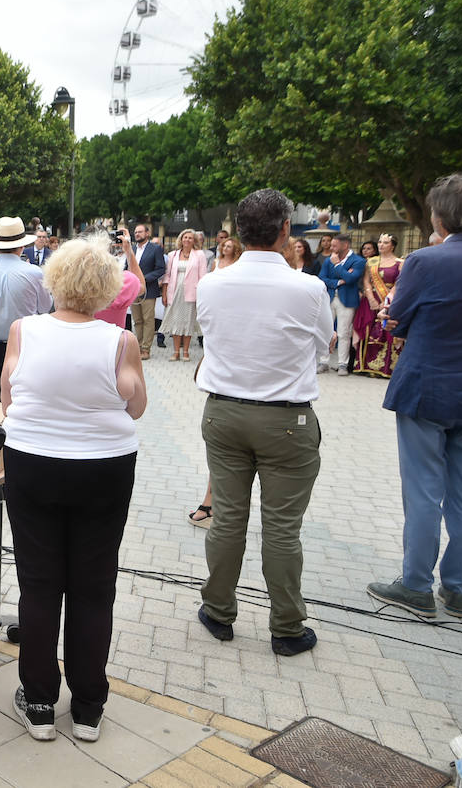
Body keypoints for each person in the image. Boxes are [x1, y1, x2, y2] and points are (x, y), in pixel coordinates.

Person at [0, 236, 147, 744]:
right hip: (103, 469)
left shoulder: (24, 331)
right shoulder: (119, 341)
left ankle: (39, 700)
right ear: (107, 288)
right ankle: (87, 706)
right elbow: (136, 407)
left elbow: (7, 394)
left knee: (39, 584)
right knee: (92, 587)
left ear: (54, 281)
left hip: (33, 464)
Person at [195, 189, 329, 656]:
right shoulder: (309, 288)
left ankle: (218, 610)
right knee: (282, 529)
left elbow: (210, 336)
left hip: (225, 411)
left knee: (228, 519)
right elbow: (324, 349)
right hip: (286, 418)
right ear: (285, 230)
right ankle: (287, 627)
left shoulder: (213, 283)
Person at [368, 173, 462, 621]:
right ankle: (457, 588)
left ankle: (416, 584)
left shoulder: (425, 261)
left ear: (439, 216)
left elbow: (395, 317)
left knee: (423, 490)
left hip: (427, 386)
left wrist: (391, 316)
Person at [0, 217, 51, 403]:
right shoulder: (34, 273)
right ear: (22, 246)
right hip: (23, 346)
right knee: (22, 405)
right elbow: (45, 308)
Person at [352, 234, 403, 378]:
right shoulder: (372, 261)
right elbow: (367, 281)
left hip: (390, 300)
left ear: (392, 245)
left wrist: (388, 299)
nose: (381, 245)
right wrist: (370, 298)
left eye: (385, 242)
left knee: (387, 331)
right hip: (371, 299)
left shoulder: (400, 262)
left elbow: (400, 283)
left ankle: (386, 367)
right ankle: (365, 365)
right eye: (380, 242)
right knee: (368, 329)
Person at [318, 233, 366, 376]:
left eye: (334, 245)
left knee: (344, 332)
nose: (331, 247)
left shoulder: (358, 261)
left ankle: (342, 364)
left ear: (345, 245)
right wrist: (339, 281)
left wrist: (338, 266)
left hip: (347, 300)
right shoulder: (329, 260)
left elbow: (351, 279)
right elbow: (322, 278)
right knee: (326, 330)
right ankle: (323, 361)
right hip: (330, 298)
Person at [159, 229, 207, 361]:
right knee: (175, 322)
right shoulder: (172, 255)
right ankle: (175, 352)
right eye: (185, 237)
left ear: (194, 241)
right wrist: (164, 293)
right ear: (181, 239)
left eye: (190, 238)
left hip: (191, 293)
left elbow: (202, 276)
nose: (187, 240)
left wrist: (202, 295)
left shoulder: (199, 255)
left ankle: (185, 352)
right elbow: (166, 276)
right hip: (174, 293)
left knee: (188, 322)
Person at [129, 224, 167, 361]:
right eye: (135, 232)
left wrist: (144, 279)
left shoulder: (155, 249)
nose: (137, 234)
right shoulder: (132, 249)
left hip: (148, 289)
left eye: (140, 232)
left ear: (147, 233)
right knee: (137, 320)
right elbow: (128, 267)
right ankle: (137, 347)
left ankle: (146, 349)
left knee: (148, 320)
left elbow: (160, 269)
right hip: (133, 290)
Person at [94, 231, 144, 329]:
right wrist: (129, 250)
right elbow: (141, 285)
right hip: (113, 340)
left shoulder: (68, 283)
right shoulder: (123, 281)